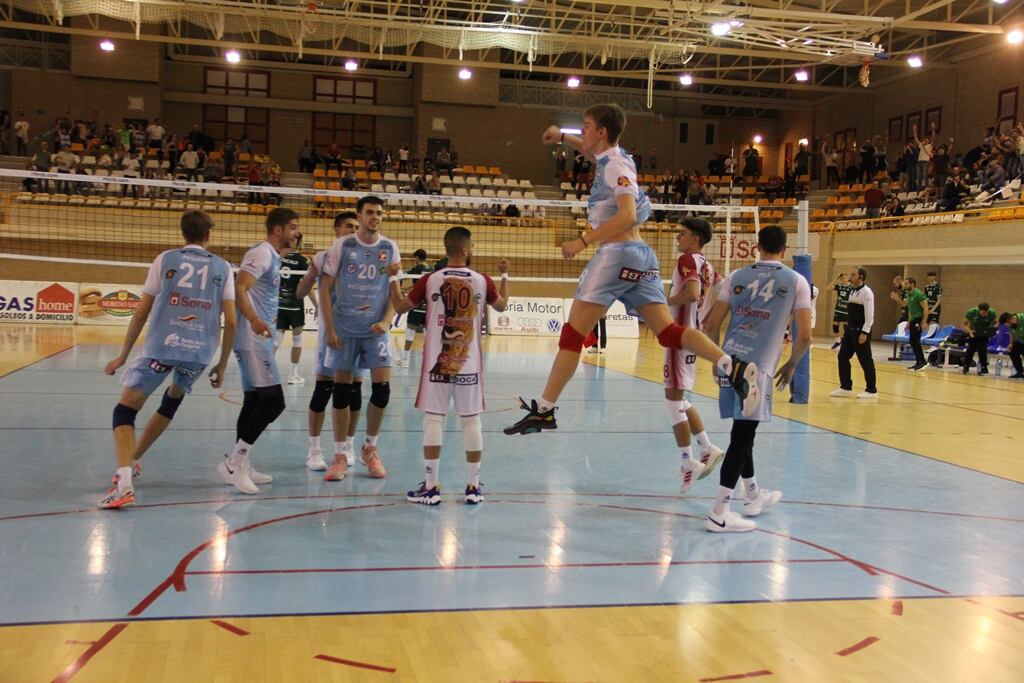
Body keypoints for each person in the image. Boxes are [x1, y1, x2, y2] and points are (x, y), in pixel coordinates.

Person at [503, 103, 760, 437]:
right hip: (641, 256)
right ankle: (730, 364)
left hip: (616, 254)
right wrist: (563, 136)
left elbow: (625, 215)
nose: (583, 131)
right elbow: (594, 154)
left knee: (572, 335)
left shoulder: (615, 166)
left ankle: (545, 410)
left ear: (602, 131)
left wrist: (581, 241)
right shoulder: (614, 157)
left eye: (586, 125)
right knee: (667, 333)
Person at [100, 211, 236, 508]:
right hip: (199, 351)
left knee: (124, 411)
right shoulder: (224, 267)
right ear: (208, 236)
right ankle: (134, 460)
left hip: (162, 347)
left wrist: (122, 355)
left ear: (183, 233)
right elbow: (233, 322)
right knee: (171, 401)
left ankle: (123, 482)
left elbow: (141, 311)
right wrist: (222, 364)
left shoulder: (165, 259)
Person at [386, 227, 510, 505]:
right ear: (465, 250)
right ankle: (473, 488)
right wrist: (504, 274)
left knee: (434, 419)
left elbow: (399, 306)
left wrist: (393, 276)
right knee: (471, 421)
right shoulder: (481, 280)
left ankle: (431, 488)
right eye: (473, 245)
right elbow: (502, 306)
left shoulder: (430, 279)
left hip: (437, 364)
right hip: (469, 364)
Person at [701, 225, 812, 532]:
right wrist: (791, 365)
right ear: (785, 250)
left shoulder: (737, 276)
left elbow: (711, 323)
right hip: (756, 370)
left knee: (742, 428)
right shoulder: (796, 281)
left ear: (757, 247)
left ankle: (752, 494)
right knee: (743, 436)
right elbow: (805, 335)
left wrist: (715, 358)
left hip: (729, 360)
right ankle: (719, 512)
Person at [318, 196, 400, 481]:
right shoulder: (343, 245)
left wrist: (387, 320)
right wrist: (329, 329)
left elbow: (394, 290)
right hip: (345, 328)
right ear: (360, 215)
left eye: (379, 213)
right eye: (369, 212)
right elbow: (324, 287)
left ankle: (370, 449)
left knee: (382, 391)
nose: (374, 217)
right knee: (341, 393)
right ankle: (340, 454)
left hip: (375, 330)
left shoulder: (390, 248)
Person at [220, 208, 300, 494]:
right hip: (252, 338)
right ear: (277, 230)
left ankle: (241, 464)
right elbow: (240, 287)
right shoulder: (262, 252)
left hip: (257, 338)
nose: (296, 233)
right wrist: (254, 319)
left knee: (253, 401)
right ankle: (234, 462)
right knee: (273, 402)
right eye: (292, 227)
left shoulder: (273, 256)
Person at [295, 211, 366, 471]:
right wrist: (310, 273)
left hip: (357, 335)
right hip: (331, 336)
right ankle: (314, 450)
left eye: (356, 227)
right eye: (348, 226)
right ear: (336, 229)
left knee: (354, 394)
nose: (353, 230)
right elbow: (300, 293)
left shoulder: (366, 258)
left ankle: (347, 444)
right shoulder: (324, 257)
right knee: (322, 392)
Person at [663, 217, 726, 493]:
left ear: (695, 239)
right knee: (680, 399)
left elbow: (691, 294)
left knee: (672, 402)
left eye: (683, 234)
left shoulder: (687, 260)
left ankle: (688, 461)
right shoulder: (710, 267)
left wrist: (661, 301)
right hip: (693, 335)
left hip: (681, 335)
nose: (678, 238)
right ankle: (706, 447)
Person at [831, 268, 877, 399]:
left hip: (860, 332)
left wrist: (865, 332)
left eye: (853, 274)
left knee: (865, 360)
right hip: (849, 331)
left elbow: (870, 315)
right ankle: (845, 387)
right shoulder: (852, 291)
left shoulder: (867, 292)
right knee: (843, 357)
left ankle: (871, 390)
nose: (850, 277)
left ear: (861, 277)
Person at [275, 232, 311, 385]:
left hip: (279, 304)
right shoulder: (302, 261)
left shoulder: (277, 257)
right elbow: (306, 286)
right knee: (297, 339)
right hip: (295, 305)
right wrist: (317, 305)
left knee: (276, 340)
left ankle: (265, 371)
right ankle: (292, 375)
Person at [396, 248, 433, 368]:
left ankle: (405, 360)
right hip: (428, 307)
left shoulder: (416, 269)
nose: (413, 259)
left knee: (410, 333)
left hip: (417, 306)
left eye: (414, 257)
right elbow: (419, 284)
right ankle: (428, 361)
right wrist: (408, 289)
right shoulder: (431, 269)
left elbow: (402, 276)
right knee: (428, 336)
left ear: (417, 258)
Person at [903, 277, 929, 371]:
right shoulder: (909, 295)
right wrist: (909, 322)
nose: (905, 286)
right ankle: (918, 362)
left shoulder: (919, 294)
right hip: (913, 320)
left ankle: (922, 361)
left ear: (912, 284)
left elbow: (926, 308)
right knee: (912, 341)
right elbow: (910, 309)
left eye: (906, 284)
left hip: (919, 319)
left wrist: (924, 321)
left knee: (915, 340)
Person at [962, 303, 995, 375]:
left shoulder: (992, 313)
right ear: (979, 310)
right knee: (970, 350)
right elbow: (964, 323)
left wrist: (991, 331)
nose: (985, 314)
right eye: (983, 312)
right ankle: (966, 366)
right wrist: (969, 331)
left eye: (986, 312)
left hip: (984, 333)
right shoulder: (971, 312)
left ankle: (984, 369)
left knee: (982, 350)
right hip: (973, 332)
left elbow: (996, 323)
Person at [829, 272, 853, 350]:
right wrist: (836, 278)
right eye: (841, 278)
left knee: (846, 327)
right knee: (835, 325)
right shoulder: (839, 286)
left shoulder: (851, 287)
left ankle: (845, 341)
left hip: (847, 310)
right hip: (838, 309)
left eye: (844, 278)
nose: (843, 279)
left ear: (847, 278)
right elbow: (828, 288)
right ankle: (837, 341)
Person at [1007, 313, 1024, 380]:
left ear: (1011, 319)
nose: (1008, 325)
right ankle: (1020, 372)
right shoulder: (1012, 325)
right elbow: (1012, 334)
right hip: (1021, 342)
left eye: (1009, 323)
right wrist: (1011, 344)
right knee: (1012, 350)